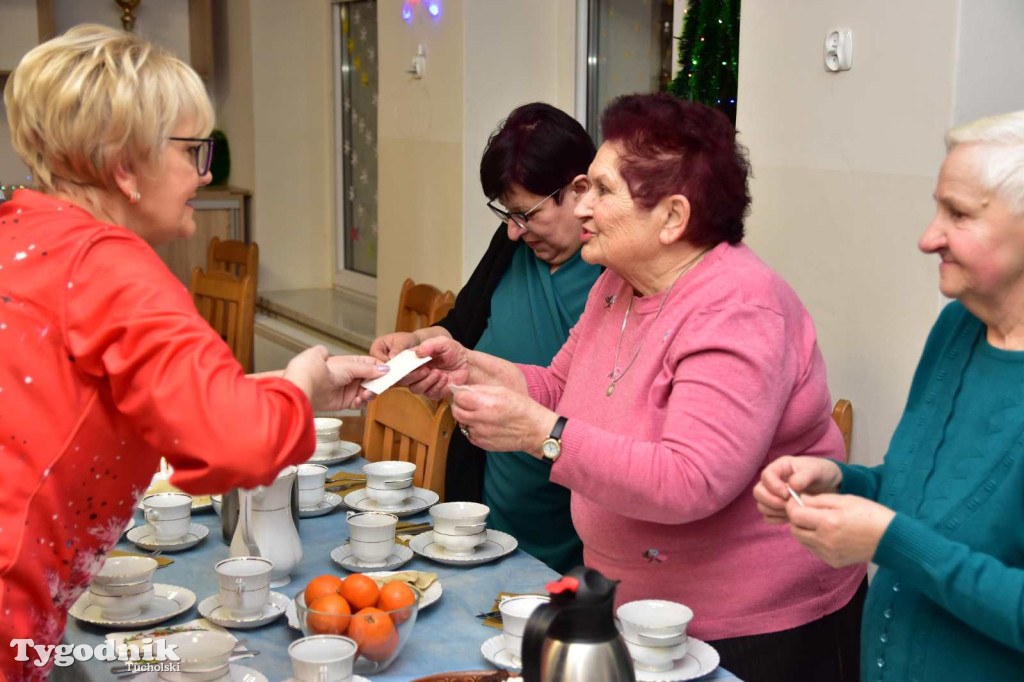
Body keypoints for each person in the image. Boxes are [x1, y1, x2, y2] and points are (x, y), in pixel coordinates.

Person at [401, 93, 865, 682]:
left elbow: (691, 479)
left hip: (753, 633)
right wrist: (465, 366)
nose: (583, 207)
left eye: (600, 190)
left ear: (672, 217)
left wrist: (543, 438)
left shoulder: (740, 308)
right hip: (639, 612)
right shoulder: (618, 286)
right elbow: (558, 384)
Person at [0, 25, 385, 679]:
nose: (205, 173)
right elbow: (232, 444)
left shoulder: (25, 231)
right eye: (191, 149)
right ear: (125, 165)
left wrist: (301, 388)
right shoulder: (111, 266)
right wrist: (295, 387)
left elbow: (132, 395)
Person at [755, 111, 1024, 681]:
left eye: (959, 214)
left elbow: (912, 538)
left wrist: (888, 539)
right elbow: (917, 499)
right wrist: (840, 481)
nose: (928, 238)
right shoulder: (957, 328)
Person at [369, 103, 601, 573]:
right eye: (507, 215)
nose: (515, 232)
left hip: (576, 519)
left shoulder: (613, 274)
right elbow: (462, 327)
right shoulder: (512, 246)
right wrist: (417, 341)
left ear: (578, 191)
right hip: (491, 501)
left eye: (527, 214)